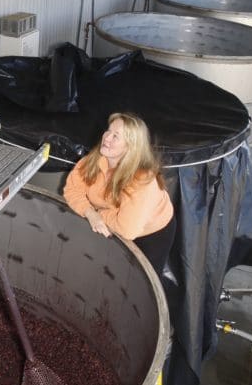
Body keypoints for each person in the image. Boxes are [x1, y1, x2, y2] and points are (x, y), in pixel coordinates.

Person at [63, 112, 176, 279]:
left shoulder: (142, 180)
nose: (107, 137)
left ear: (130, 148)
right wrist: (90, 213)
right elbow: (72, 191)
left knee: (142, 281)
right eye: (108, 131)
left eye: (116, 136)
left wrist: (99, 214)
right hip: (113, 218)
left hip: (150, 233)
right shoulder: (93, 161)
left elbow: (127, 229)